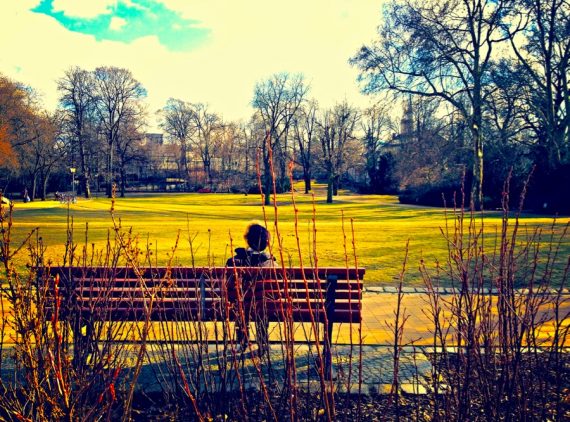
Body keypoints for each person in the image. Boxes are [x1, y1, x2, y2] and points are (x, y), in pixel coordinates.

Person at [226, 222, 275, 354]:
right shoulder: (272, 263)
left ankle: (241, 342)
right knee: (262, 306)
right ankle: (263, 343)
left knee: (240, 305)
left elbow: (227, 288)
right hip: (264, 307)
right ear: (267, 243)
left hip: (240, 307)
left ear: (247, 240)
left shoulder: (233, 262)